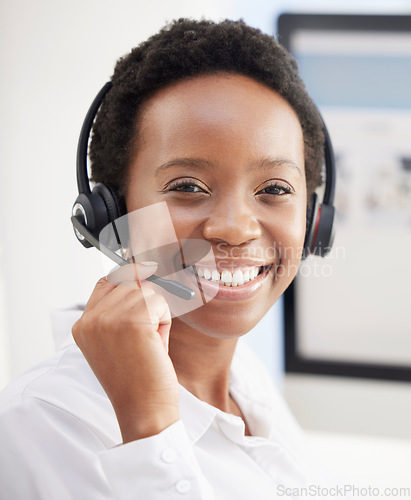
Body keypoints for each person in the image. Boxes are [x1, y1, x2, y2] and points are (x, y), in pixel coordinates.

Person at [0, 18, 340, 499]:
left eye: (274, 189)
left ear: (313, 221)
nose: (235, 228)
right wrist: (149, 429)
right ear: (109, 215)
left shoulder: (247, 384)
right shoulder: (39, 426)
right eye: (187, 188)